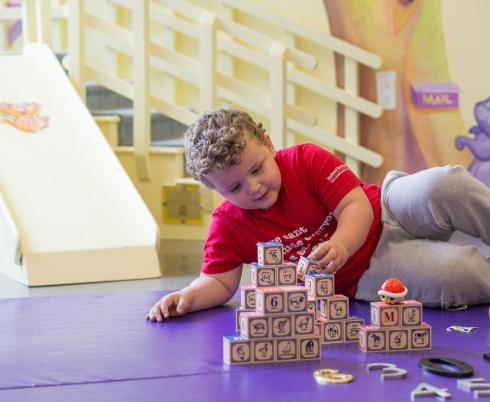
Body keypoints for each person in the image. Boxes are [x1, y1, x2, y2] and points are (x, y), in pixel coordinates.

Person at [147, 108, 490, 322]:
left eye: (257, 168)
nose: (252, 188)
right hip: (366, 271)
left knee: (444, 184)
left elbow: (354, 205)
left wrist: (340, 243)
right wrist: (188, 297)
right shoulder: (227, 224)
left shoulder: (304, 159)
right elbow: (220, 282)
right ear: (215, 189)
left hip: (386, 208)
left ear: (269, 144)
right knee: (457, 273)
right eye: (233, 188)